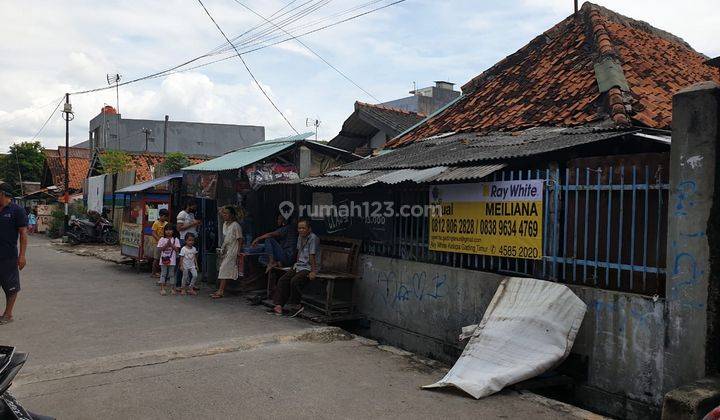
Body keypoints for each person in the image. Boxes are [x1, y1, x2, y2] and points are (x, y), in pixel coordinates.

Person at [271, 218, 319, 317]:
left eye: (303, 228)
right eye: (299, 228)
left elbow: (312, 256)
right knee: (283, 280)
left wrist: (313, 272)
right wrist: (295, 264)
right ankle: (279, 305)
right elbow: (299, 252)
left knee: (295, 281)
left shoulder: (313, 238)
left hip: (309, 267)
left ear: (309, 229)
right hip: (299, 265)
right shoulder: (300, 237)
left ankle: (297, 305)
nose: (301, 230)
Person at [0, 183, 27, 325]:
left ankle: (8, 314)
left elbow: (23, 233)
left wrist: (22, 256)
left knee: (11, 286)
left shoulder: (17, 210)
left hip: (8, 256)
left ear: (3, 194)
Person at [210, 206, 243, 299]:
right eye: (223, 213)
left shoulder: (236, 225)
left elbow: (240, 239)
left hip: (233, 249)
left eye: (226, 213)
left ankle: (221, 291)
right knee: (223, 268)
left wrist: (238, 251)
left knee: (224, 268)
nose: (224, 215)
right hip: (226, 248)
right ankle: (221, 289)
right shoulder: (225, 224)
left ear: (231, 215)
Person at [157, 224, 180, 296]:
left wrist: (171, 245)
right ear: (164, 231)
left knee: (171, 274)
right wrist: (166, 245)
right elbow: (159, 249)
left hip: (172, 260)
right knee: (163, 274)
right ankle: (162, 289)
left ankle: (172, 289)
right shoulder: (162, 239)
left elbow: (177, 250)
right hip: (163, 260)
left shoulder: (176, 239)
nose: (168, 231)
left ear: (173, 231)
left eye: (170, 230)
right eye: (166, 230)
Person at [150, 208, 169, 278]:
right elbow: (153, 233)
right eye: (164, 216)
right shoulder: (156, 223)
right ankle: (153, 273)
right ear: (161, 216)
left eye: (166, 217)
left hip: (165, 244)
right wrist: (159, 240)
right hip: (156, 244)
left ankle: (161, 272)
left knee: (163, 258)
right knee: (156, 259)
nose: (165, 218)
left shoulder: (166, 223)